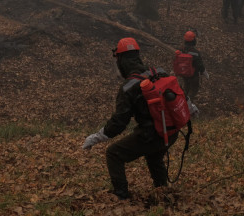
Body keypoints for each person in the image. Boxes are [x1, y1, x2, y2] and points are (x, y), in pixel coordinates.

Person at [82, 37, 178, 200]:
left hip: (152, 134)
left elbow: (119, 123)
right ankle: (162, 191)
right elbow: (178, 93)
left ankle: (121, 194)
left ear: (121, 60)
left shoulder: (128, 87)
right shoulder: (158, 72)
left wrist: (96, 137)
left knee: (113, 153)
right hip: (171, 131)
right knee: (154, 156)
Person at [176, 31, 209, 103]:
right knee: (193, 90)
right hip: (193, 75)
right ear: (194, 40)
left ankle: (182, 102)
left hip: (184, 73)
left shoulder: (180, 49)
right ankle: (188, 104)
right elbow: (200, 65)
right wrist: (206, 74)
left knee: (186, 88)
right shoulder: (195, 52)